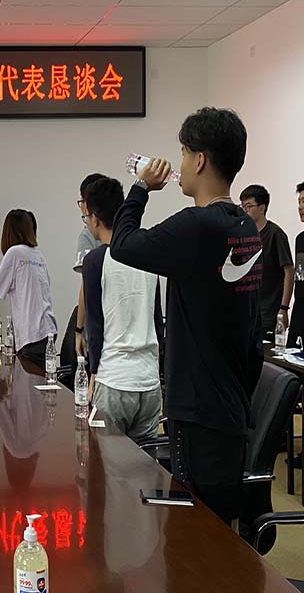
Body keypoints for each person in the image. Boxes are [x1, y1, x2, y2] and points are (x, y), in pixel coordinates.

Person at [109, 107, 263, 524]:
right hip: (230, 409)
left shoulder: (197, 226)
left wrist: (141, 187)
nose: (178, 163)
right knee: (220, 532)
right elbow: (253, 330)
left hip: (197, 412)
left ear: (198, 160)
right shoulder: (245, 227)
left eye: (182, 153)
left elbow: (122, 244)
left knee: (196, 535)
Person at [81, 177, 163, 444]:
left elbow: (95, 326)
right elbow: (157, 321)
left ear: (95, 218)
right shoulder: (149, 255)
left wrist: (93, 375)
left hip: (114, 381)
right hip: (149, 383)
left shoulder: (95, 260)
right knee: (145, 465)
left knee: (106, 464)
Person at [0, 209, 58, 365]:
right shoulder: (38, 255)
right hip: (48, 329)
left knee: (28, 377)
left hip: (32, 334)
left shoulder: (14, 253)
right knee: (40, 376)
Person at [239, 184, 293, 338]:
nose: (244, 211)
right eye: (242, 207)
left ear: (262, 208)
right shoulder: (244, 235)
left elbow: (289, 271)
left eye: (248, 206)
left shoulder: (276, 234)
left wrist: (284, 308)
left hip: (269, 313)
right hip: (247, 311)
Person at [74, 173, 106, 357]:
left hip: (97, 325)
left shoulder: (87, 235)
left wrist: (78, 330)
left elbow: (86, 286)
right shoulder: (130, 233)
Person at [288, 182, 304, 347]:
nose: (300, 207)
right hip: (299, 312)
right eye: (299, 202)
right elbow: (300, 277)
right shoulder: (300, 239)